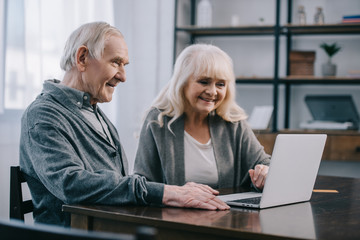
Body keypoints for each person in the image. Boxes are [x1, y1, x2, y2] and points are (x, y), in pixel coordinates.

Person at [19, 22, 229, 227]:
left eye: (124, 65)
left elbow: (113, 185)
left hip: (109, 228)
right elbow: (70, 184)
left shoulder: (94, 112)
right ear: (82, 58)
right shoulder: (43, 115)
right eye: (115, 62)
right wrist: (166, 192)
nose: (123, 76)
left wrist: (171, 193)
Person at [134, 44, 270, 191]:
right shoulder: (157, 121)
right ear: (182, 82)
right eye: (204, 82)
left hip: (228, 213)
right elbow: (142, 183)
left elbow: (264, 164)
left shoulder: (234, 123)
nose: (212, 92)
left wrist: (265, 172)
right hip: (173, 214)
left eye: (220, 84)